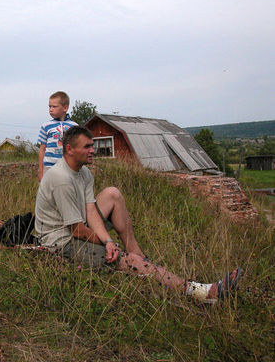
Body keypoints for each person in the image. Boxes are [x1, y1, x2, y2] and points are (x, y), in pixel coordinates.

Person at [33, 126, 242, 304]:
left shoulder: (84, 172)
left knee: (112, 194)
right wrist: (108, 244)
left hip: (77, 226)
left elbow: (90, 211)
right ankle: (201, 293)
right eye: (87, 146)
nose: (93, 150)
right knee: (126, 259)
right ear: (69, 149)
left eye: (93, 145)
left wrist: (107, 240)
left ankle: (141, 260)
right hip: (61, 242)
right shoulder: (61, 178)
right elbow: (77, 230)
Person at [37, 91, 77, 181]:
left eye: (54, 106)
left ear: (65, 108)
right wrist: (41, 170)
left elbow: (77, 147)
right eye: (49, 106)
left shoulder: (74, 126)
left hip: (68, 166)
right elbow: (42, 149)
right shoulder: (46, 126)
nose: (51, 109)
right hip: (49, 167)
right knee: (49, 193)